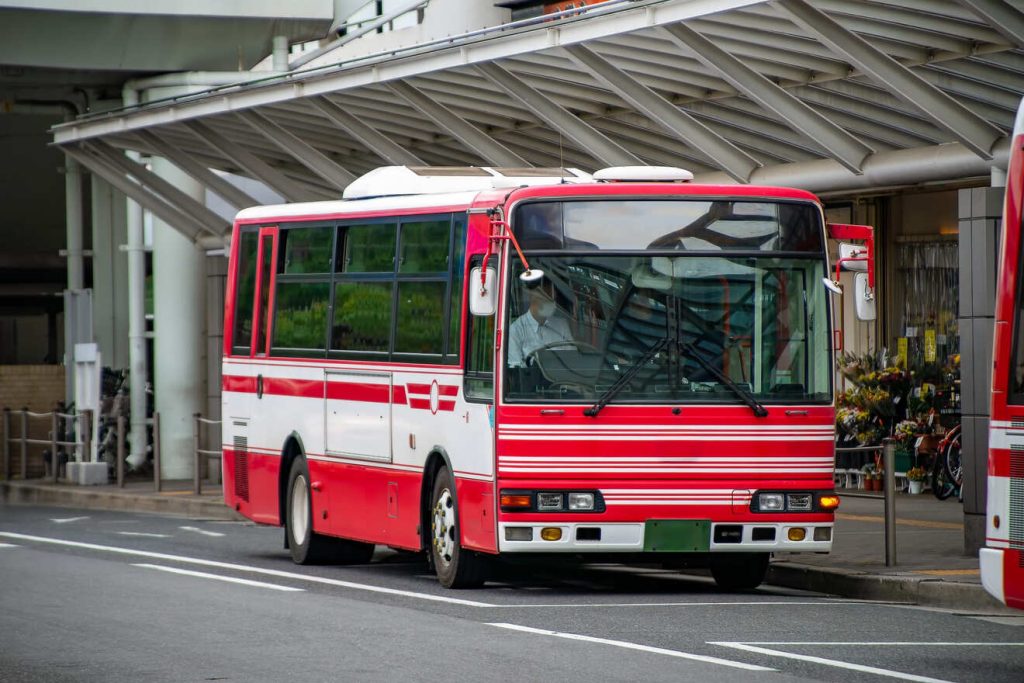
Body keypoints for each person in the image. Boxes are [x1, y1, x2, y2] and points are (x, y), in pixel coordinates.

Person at [507, 282, 574, 368]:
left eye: (553, 299)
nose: (552, 303)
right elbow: (516, 368)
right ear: (533, 298)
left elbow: (572, 358)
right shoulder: (515, 330)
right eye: (547, 298)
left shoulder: (562, 325)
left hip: (563, 379)